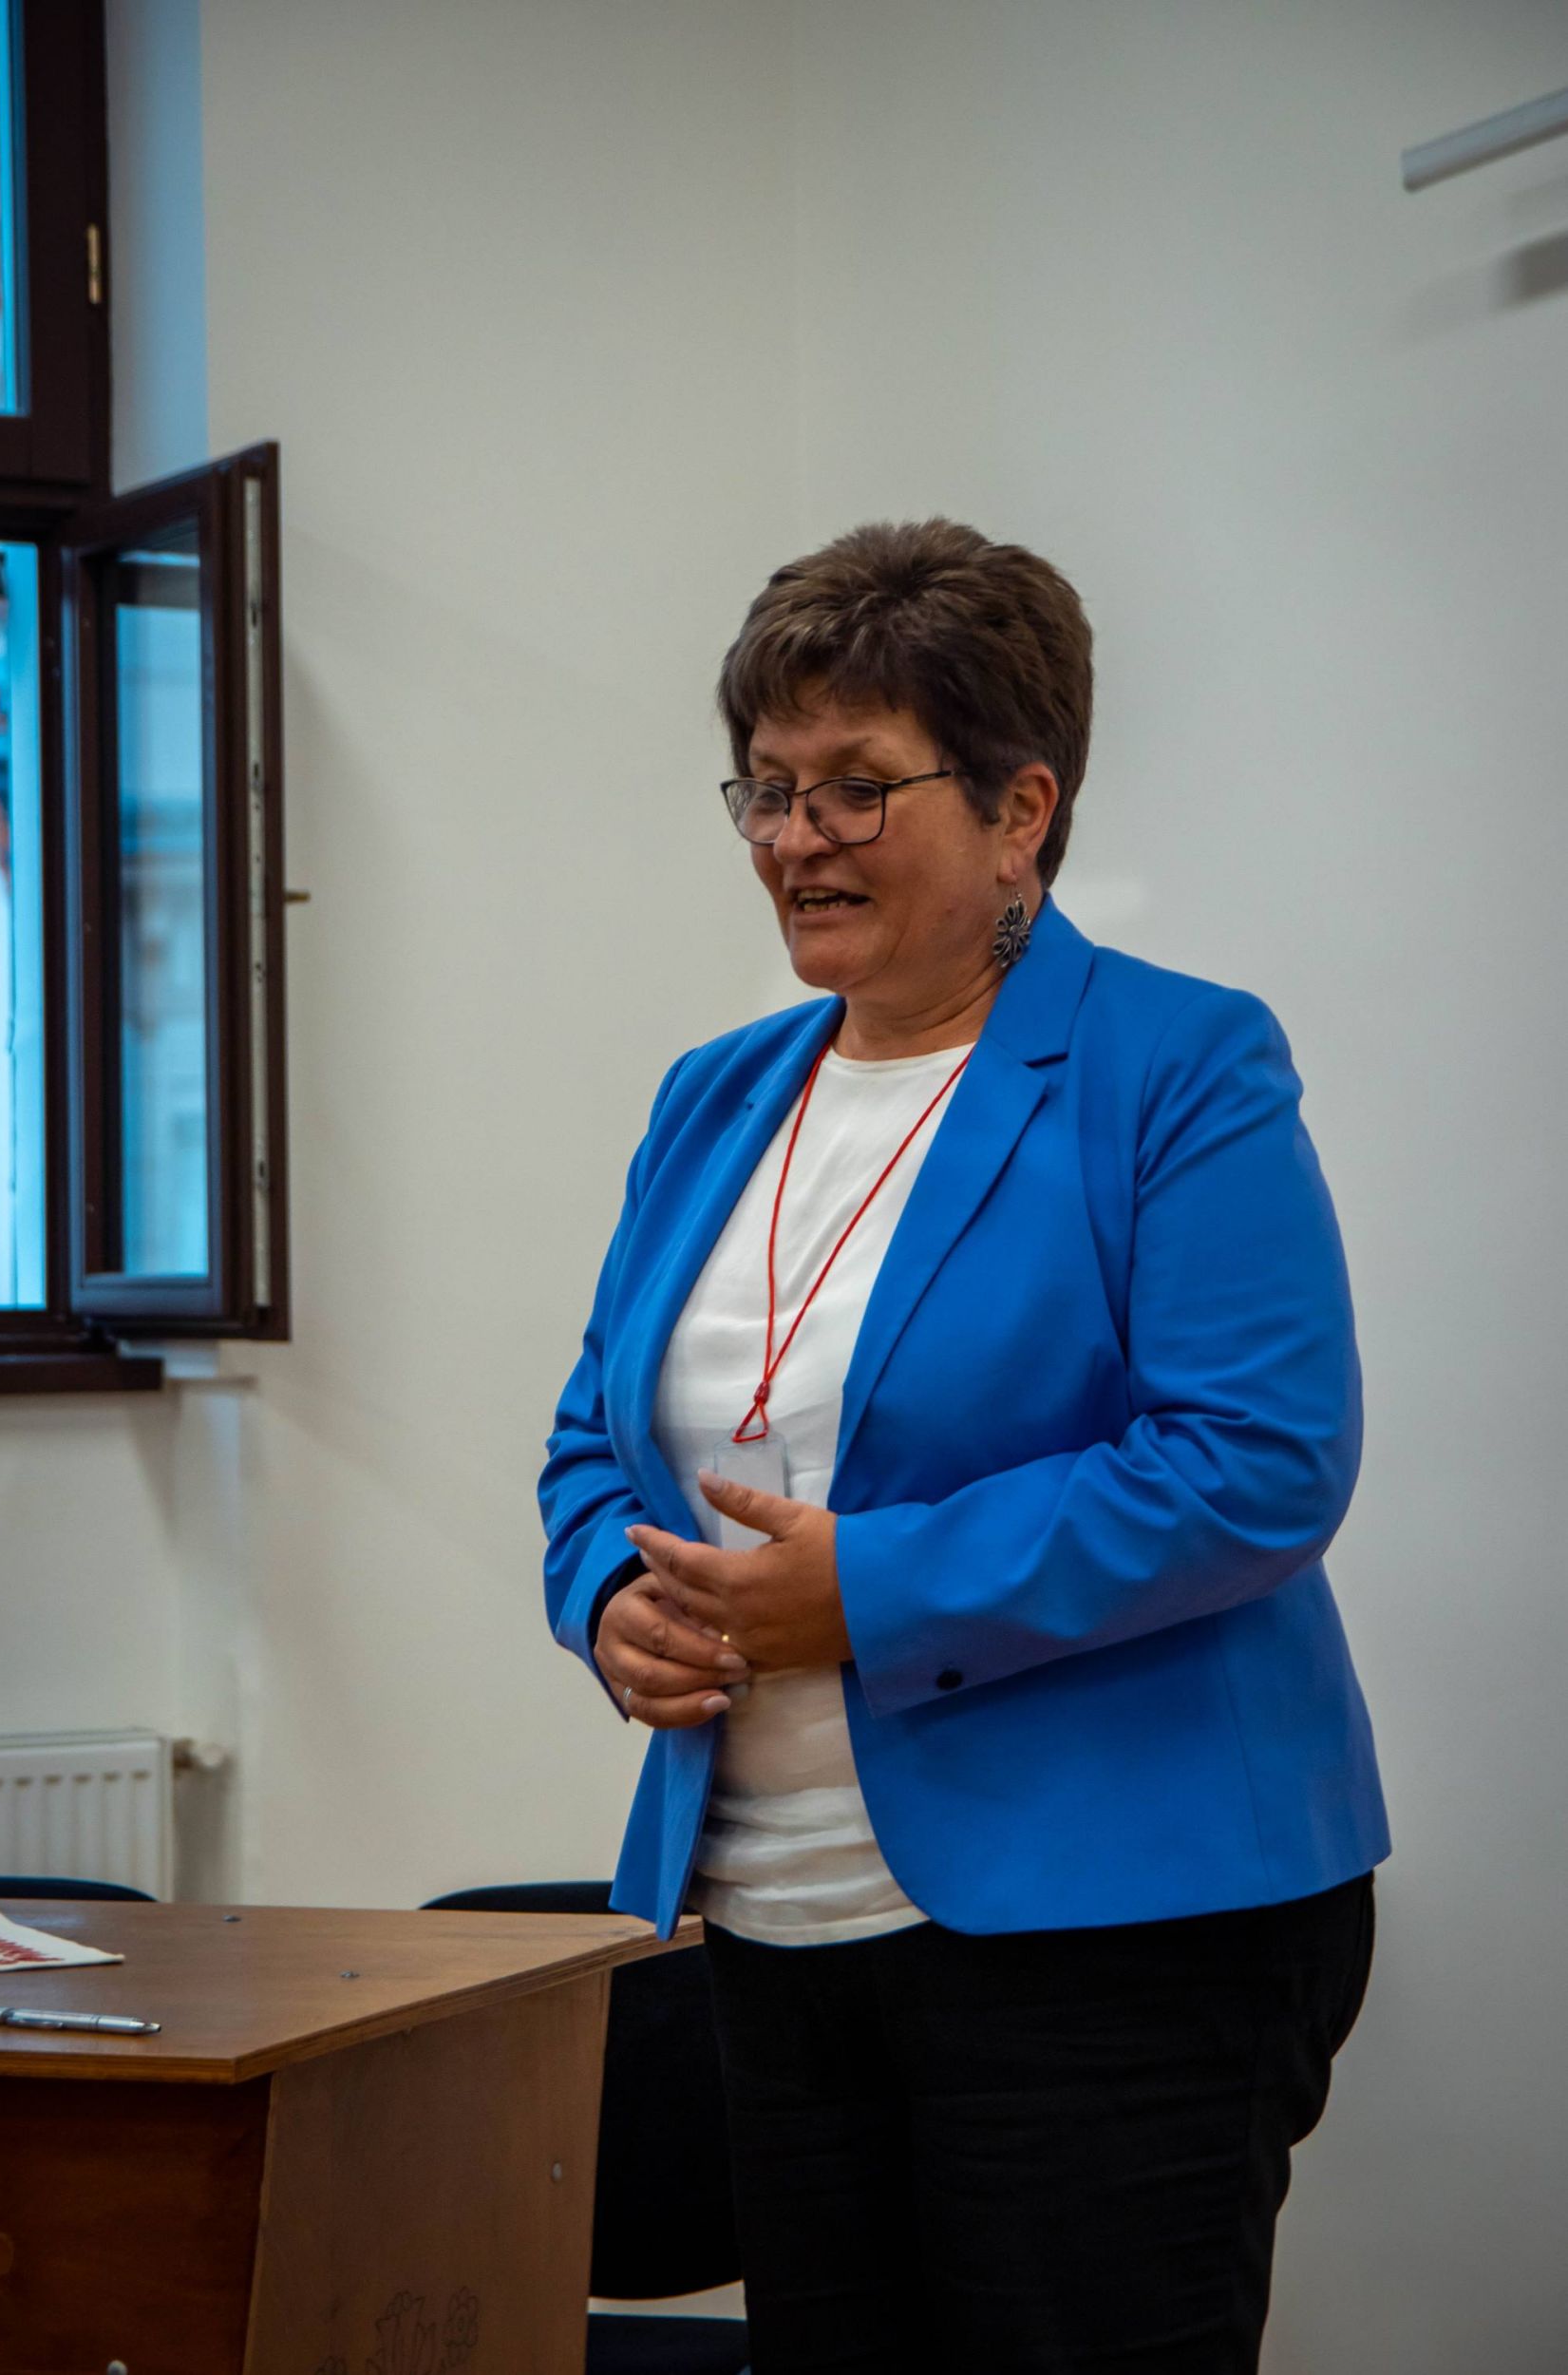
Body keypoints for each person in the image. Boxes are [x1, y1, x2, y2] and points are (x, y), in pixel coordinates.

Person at [539, 518, 1389, 2373]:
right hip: (771, 1908)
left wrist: (865, 1589)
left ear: (1021, 809)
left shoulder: (1178, 1063)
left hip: (1122, 1918)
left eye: (857, 784)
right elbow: (593, 1438)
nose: (796, 837)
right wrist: (608, 1593)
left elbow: (1256, 1458)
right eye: (768, 787)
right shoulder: (713, 1096)